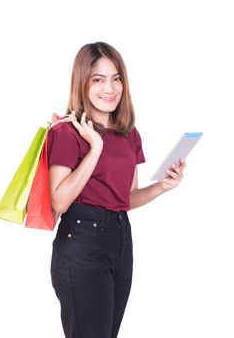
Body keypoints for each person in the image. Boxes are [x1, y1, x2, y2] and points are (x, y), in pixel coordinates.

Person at [47, 41, 186, 338]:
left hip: (120, 240)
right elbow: (59, 200)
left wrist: (162, 186)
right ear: (82, 83)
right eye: (98, 79)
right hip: (81, 244)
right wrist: (94, 148)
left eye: (116, 78)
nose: (109, 88)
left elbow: (126, 199)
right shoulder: (65, 132)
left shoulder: (128, 133)